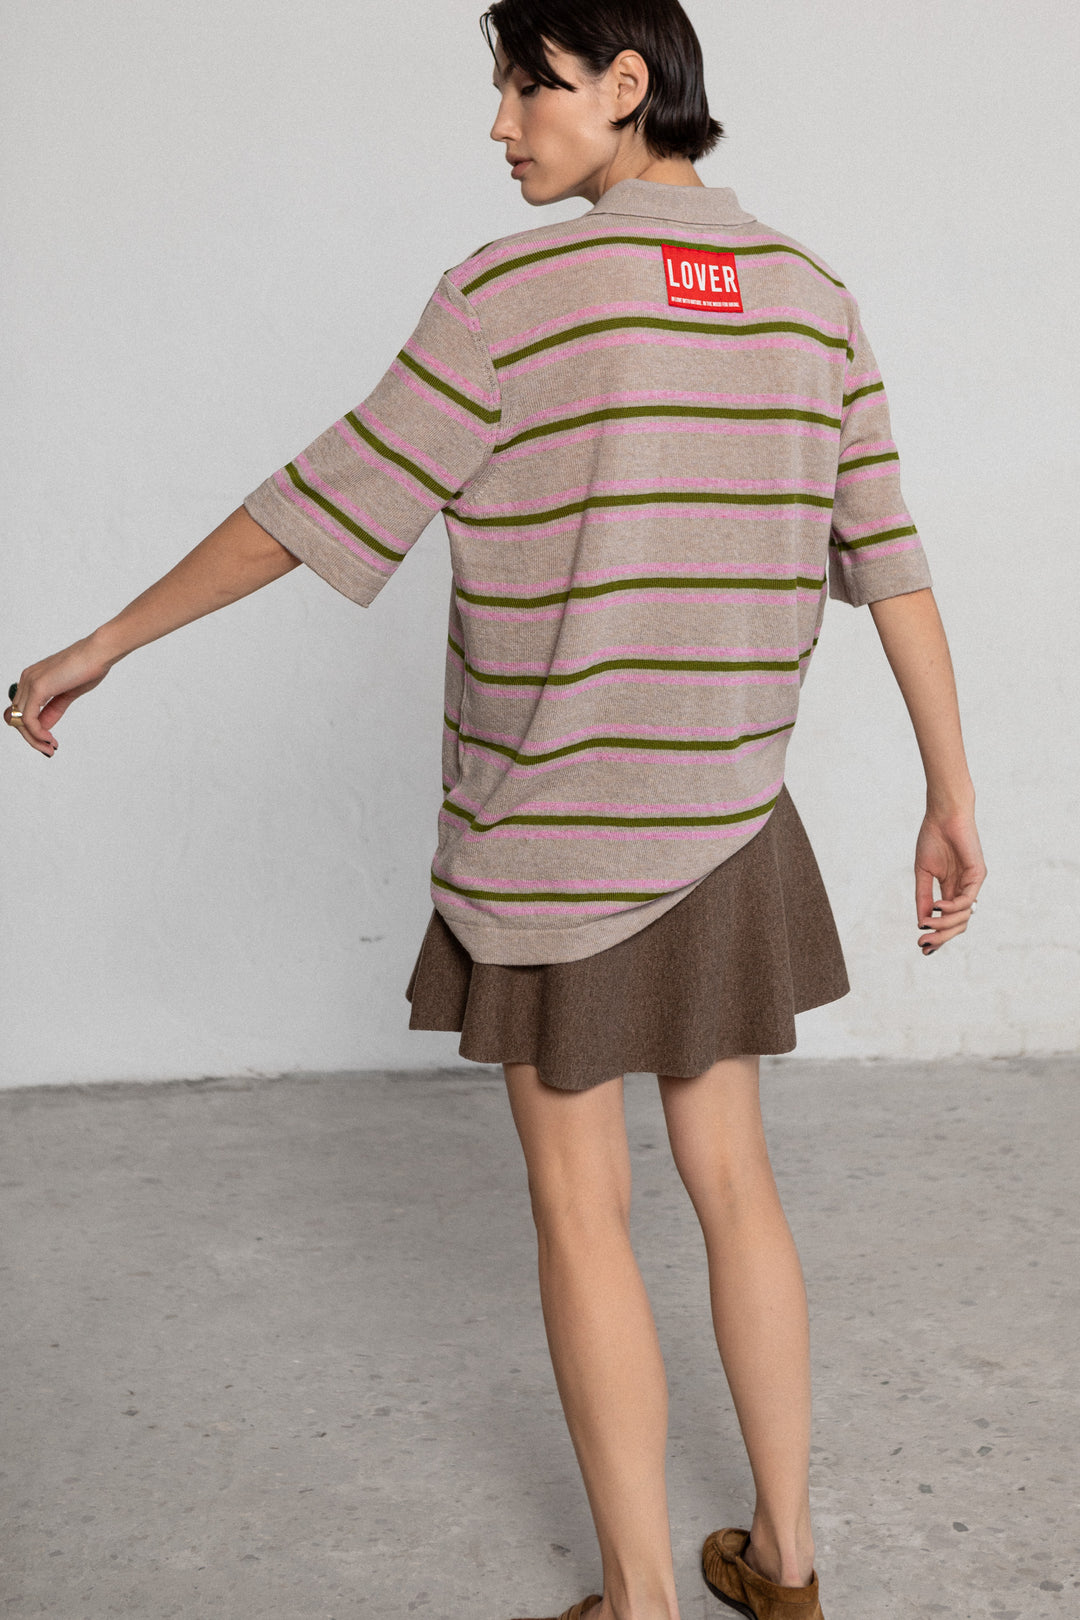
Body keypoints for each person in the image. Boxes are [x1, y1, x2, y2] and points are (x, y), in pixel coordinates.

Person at [5, 2, 986, 1617]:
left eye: (527, 87)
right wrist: (951, 791)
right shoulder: (813, 299)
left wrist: (103, 642)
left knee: (582, 1205)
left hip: (553, 842)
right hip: (733, 815)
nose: (501, 124)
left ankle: (639, 1599)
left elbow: (317, 504)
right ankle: (790, 1563)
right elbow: (889, 556)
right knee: (736, 1180)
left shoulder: (507, 298)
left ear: (625, 86)